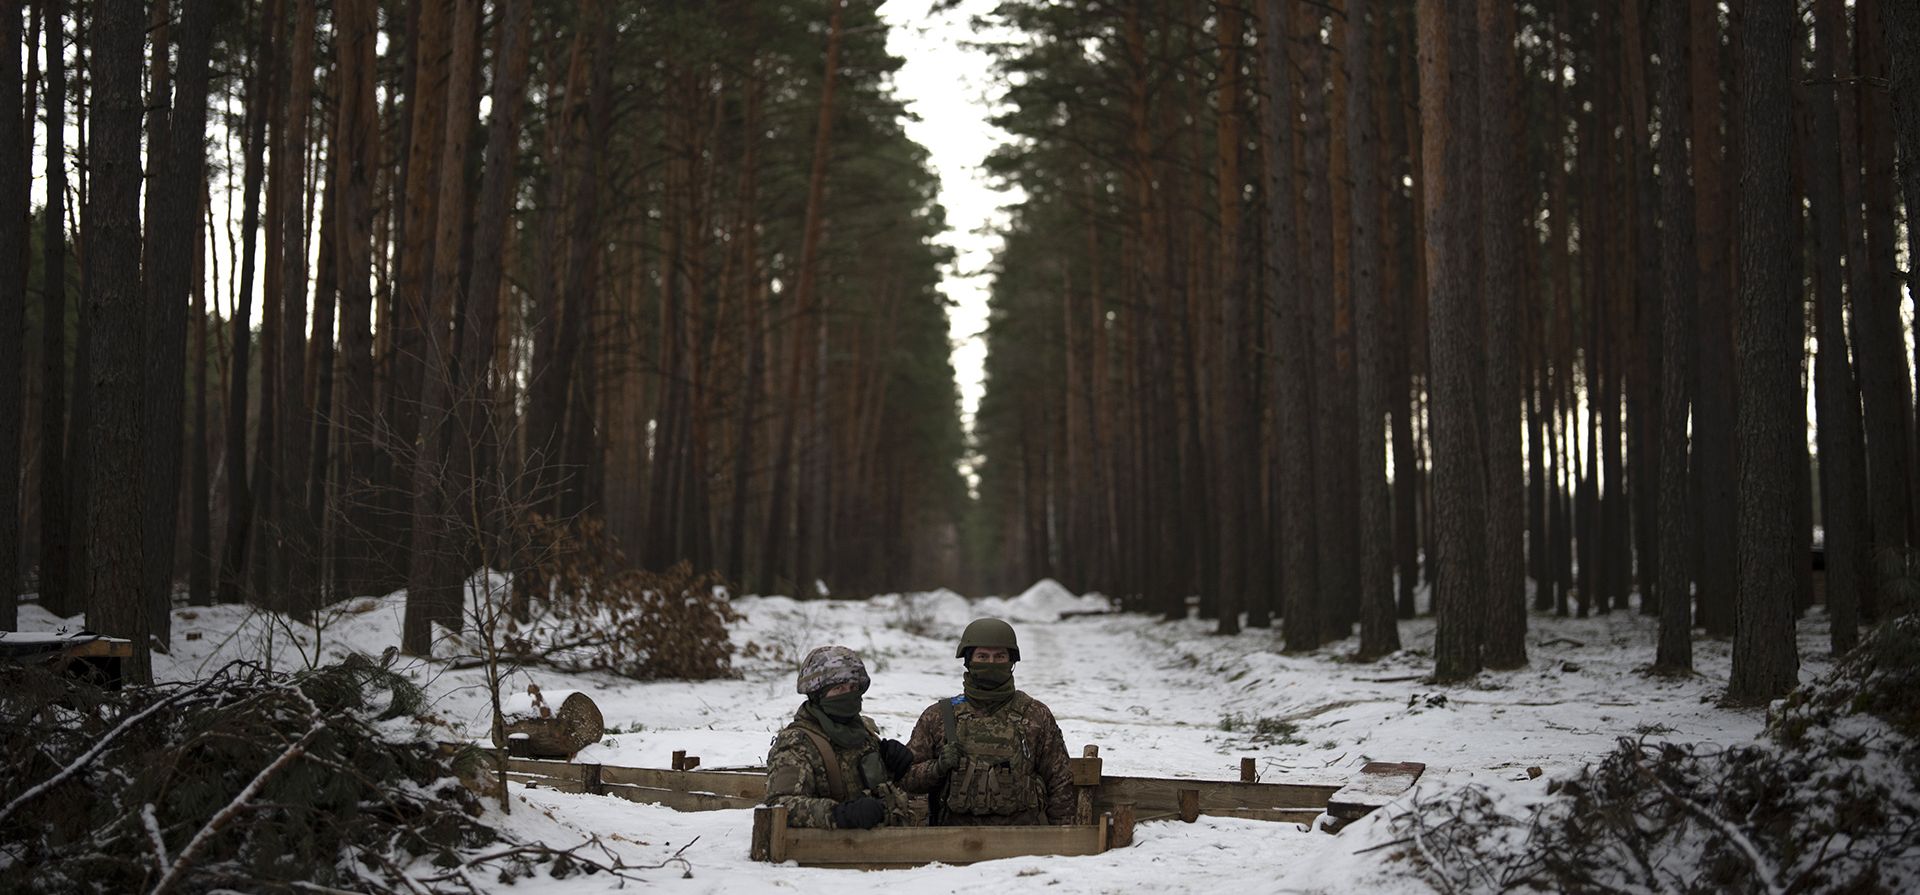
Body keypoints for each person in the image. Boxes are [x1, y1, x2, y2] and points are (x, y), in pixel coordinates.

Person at [899, 618, 1076, 825]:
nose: (991, 663)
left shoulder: (1035, 715)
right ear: (968, 660)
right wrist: (937, 768)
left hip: (1023, 841)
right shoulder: (939, 716)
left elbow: (1061, 783)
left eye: (999, 656)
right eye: (982, 656)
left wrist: (1062, 838)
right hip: (951, 839)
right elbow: (906, 779)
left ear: (1011, 662)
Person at [763, 645, 917, 829]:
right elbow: (779, 806)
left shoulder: (862, 731)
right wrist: (839, 814)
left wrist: (891, 766)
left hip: (888, 838)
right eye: (839, 688)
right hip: (832, 845)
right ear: (817, 694)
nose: (848, 694)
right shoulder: (797, 743)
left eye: (853, 687)